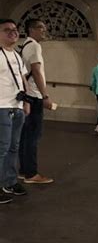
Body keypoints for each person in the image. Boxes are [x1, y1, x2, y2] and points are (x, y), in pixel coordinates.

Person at [18, 19, 54, 184]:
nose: (44, 31)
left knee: (25, 135)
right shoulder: (34, 46)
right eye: (41, 28)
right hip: (34, 96)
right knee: (33, 135)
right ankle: (31, 174)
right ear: (31, 29)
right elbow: (37, 72)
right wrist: (45, 95)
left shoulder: (25, 45)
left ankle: (23, 170)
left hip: (28, 95)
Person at [0, 19, 30, 203]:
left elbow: (23, 78)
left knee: (14, 147)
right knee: (1, 148)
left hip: (17, 106)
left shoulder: (17, 56)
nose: (13, 32)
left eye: (15, 29)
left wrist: (26, 101)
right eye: (7, 30)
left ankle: (9, 182)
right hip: (1, 106)